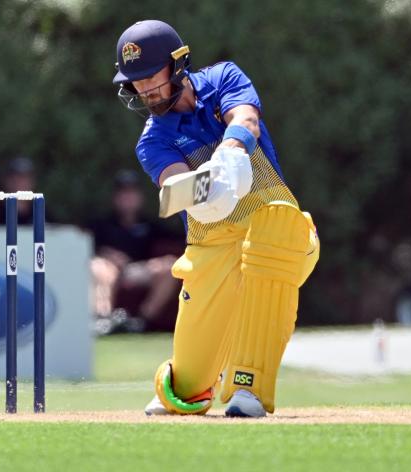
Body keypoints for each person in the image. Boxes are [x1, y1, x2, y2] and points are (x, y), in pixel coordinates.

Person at [111, 20, 320, 417]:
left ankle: (249, 388)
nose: (145, 90)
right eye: (135, 82)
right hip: (212, 245)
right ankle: (193, 385)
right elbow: (176, 186)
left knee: (271, 237)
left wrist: (231, 151)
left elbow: (245, 119)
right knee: (187, 387)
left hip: (278, 228)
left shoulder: (224, 77)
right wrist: (207, 192)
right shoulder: (152, 139)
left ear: (177, 65)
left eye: (150, 76)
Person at [89, 170, 182, 334]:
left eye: (132, 193)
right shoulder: (102, 224)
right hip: (109, 269)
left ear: (140, 197)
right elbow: (87, 247)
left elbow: (177, 241)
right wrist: (107, 254)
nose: (128, 198)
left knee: (170, 266)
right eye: (123, 193)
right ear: (115, 198)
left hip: (138, 269)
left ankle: (140, 322)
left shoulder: (150, 225)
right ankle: (104, 320)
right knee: (99, 267)